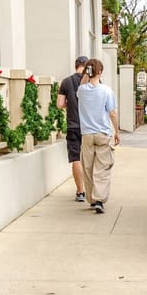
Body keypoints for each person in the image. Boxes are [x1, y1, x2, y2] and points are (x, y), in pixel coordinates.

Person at [77, 59, 120, 214]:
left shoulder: (81, 90)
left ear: (87, 72)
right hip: (103, 134)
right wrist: (117, 131)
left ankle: (92, 199)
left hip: (87, 134)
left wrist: (86, 73)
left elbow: (82, 83)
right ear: (100, 72)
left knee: (87, 167)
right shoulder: (106, 91)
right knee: (102, 168)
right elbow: (112, 113)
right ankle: (99, 200)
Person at [58, 56, 88, 202]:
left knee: (76, 158)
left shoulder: (66, 82)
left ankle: (80, 191)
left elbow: (60, 104)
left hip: (73, 125)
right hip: (89, 126)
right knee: (89, 158)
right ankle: (92, 190)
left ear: (76, 66)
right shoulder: (93, 81)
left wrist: (69, 104)